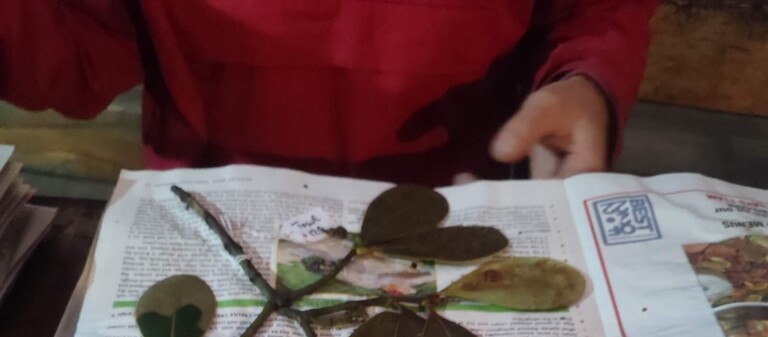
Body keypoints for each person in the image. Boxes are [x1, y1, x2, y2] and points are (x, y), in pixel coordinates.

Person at [0, 1, 658, 185]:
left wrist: (586, 78)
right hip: (216, 210)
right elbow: (73, 52)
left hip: (464, 208)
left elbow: (593, 12)